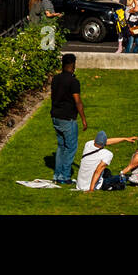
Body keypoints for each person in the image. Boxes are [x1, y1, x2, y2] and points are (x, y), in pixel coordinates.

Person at [50, 54, 86, 185]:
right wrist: (83, 119)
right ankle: (64, 176)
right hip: (67, 118)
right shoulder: (73, 81)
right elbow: (78, 102)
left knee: (61, 146)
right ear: (73, 65)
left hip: (56, 116)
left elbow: (53, 97)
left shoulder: (56, 79)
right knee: (71, 147)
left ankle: (57, 174)